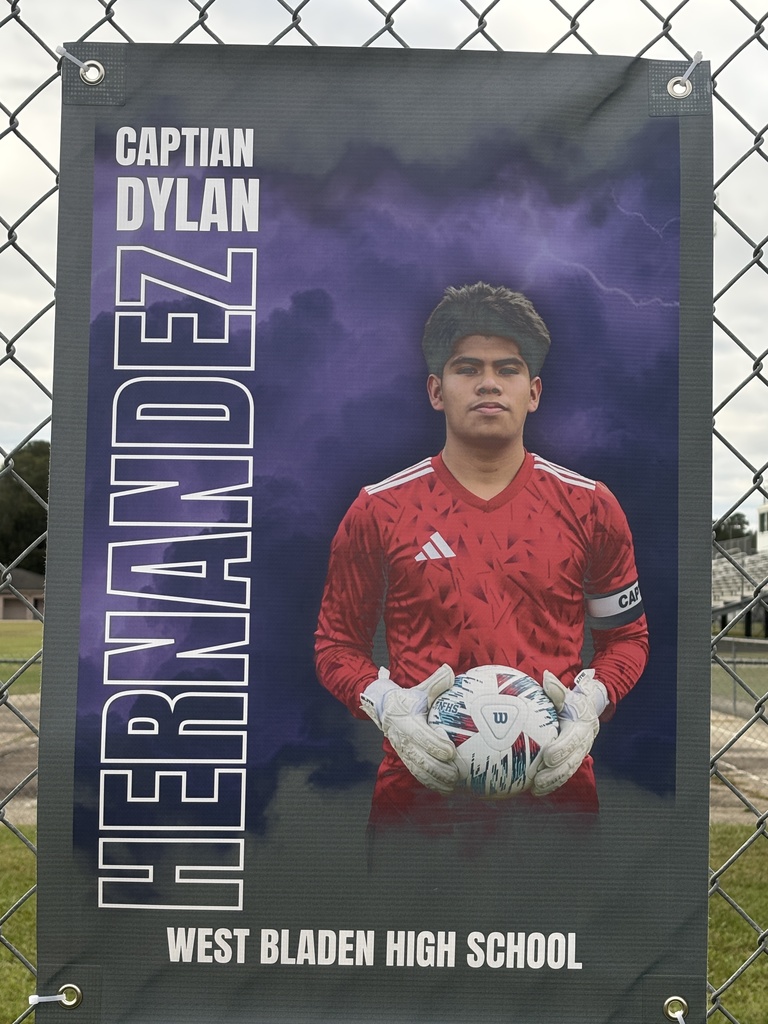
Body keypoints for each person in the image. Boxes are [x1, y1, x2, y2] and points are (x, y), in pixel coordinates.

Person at [314, 282, 649, 832]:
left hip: (557, 806)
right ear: (435, 390)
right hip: (415, 808)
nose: (489, 382)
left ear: (534, 391)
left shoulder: (591, 506)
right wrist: (385, 704)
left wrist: (590, 701)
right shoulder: (379, 509)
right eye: (467, 367)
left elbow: (627, 639)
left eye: (508, 368)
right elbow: (336, 645)